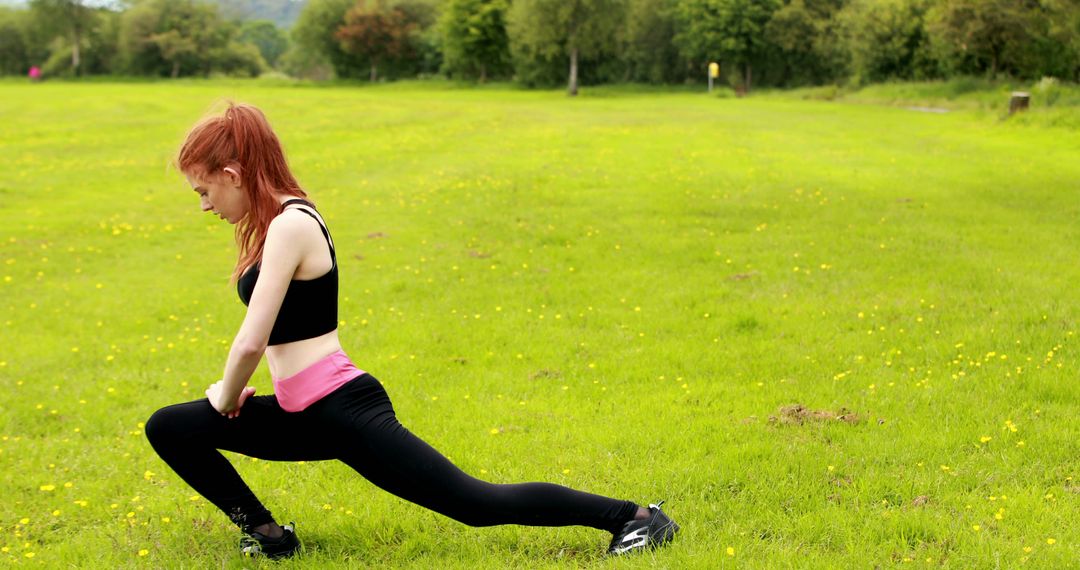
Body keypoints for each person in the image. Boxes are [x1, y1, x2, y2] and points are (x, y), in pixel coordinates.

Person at [144, 102, 679, 560]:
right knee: (170, 427)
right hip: (298, 413)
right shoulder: (274, 225)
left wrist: (227, 397)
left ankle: (636, 518)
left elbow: (251, 341)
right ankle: (269, 537)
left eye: (204, 190)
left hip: (342, 410)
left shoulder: (292, 224)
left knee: (476, 504)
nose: (204, 205)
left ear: (233, 174)